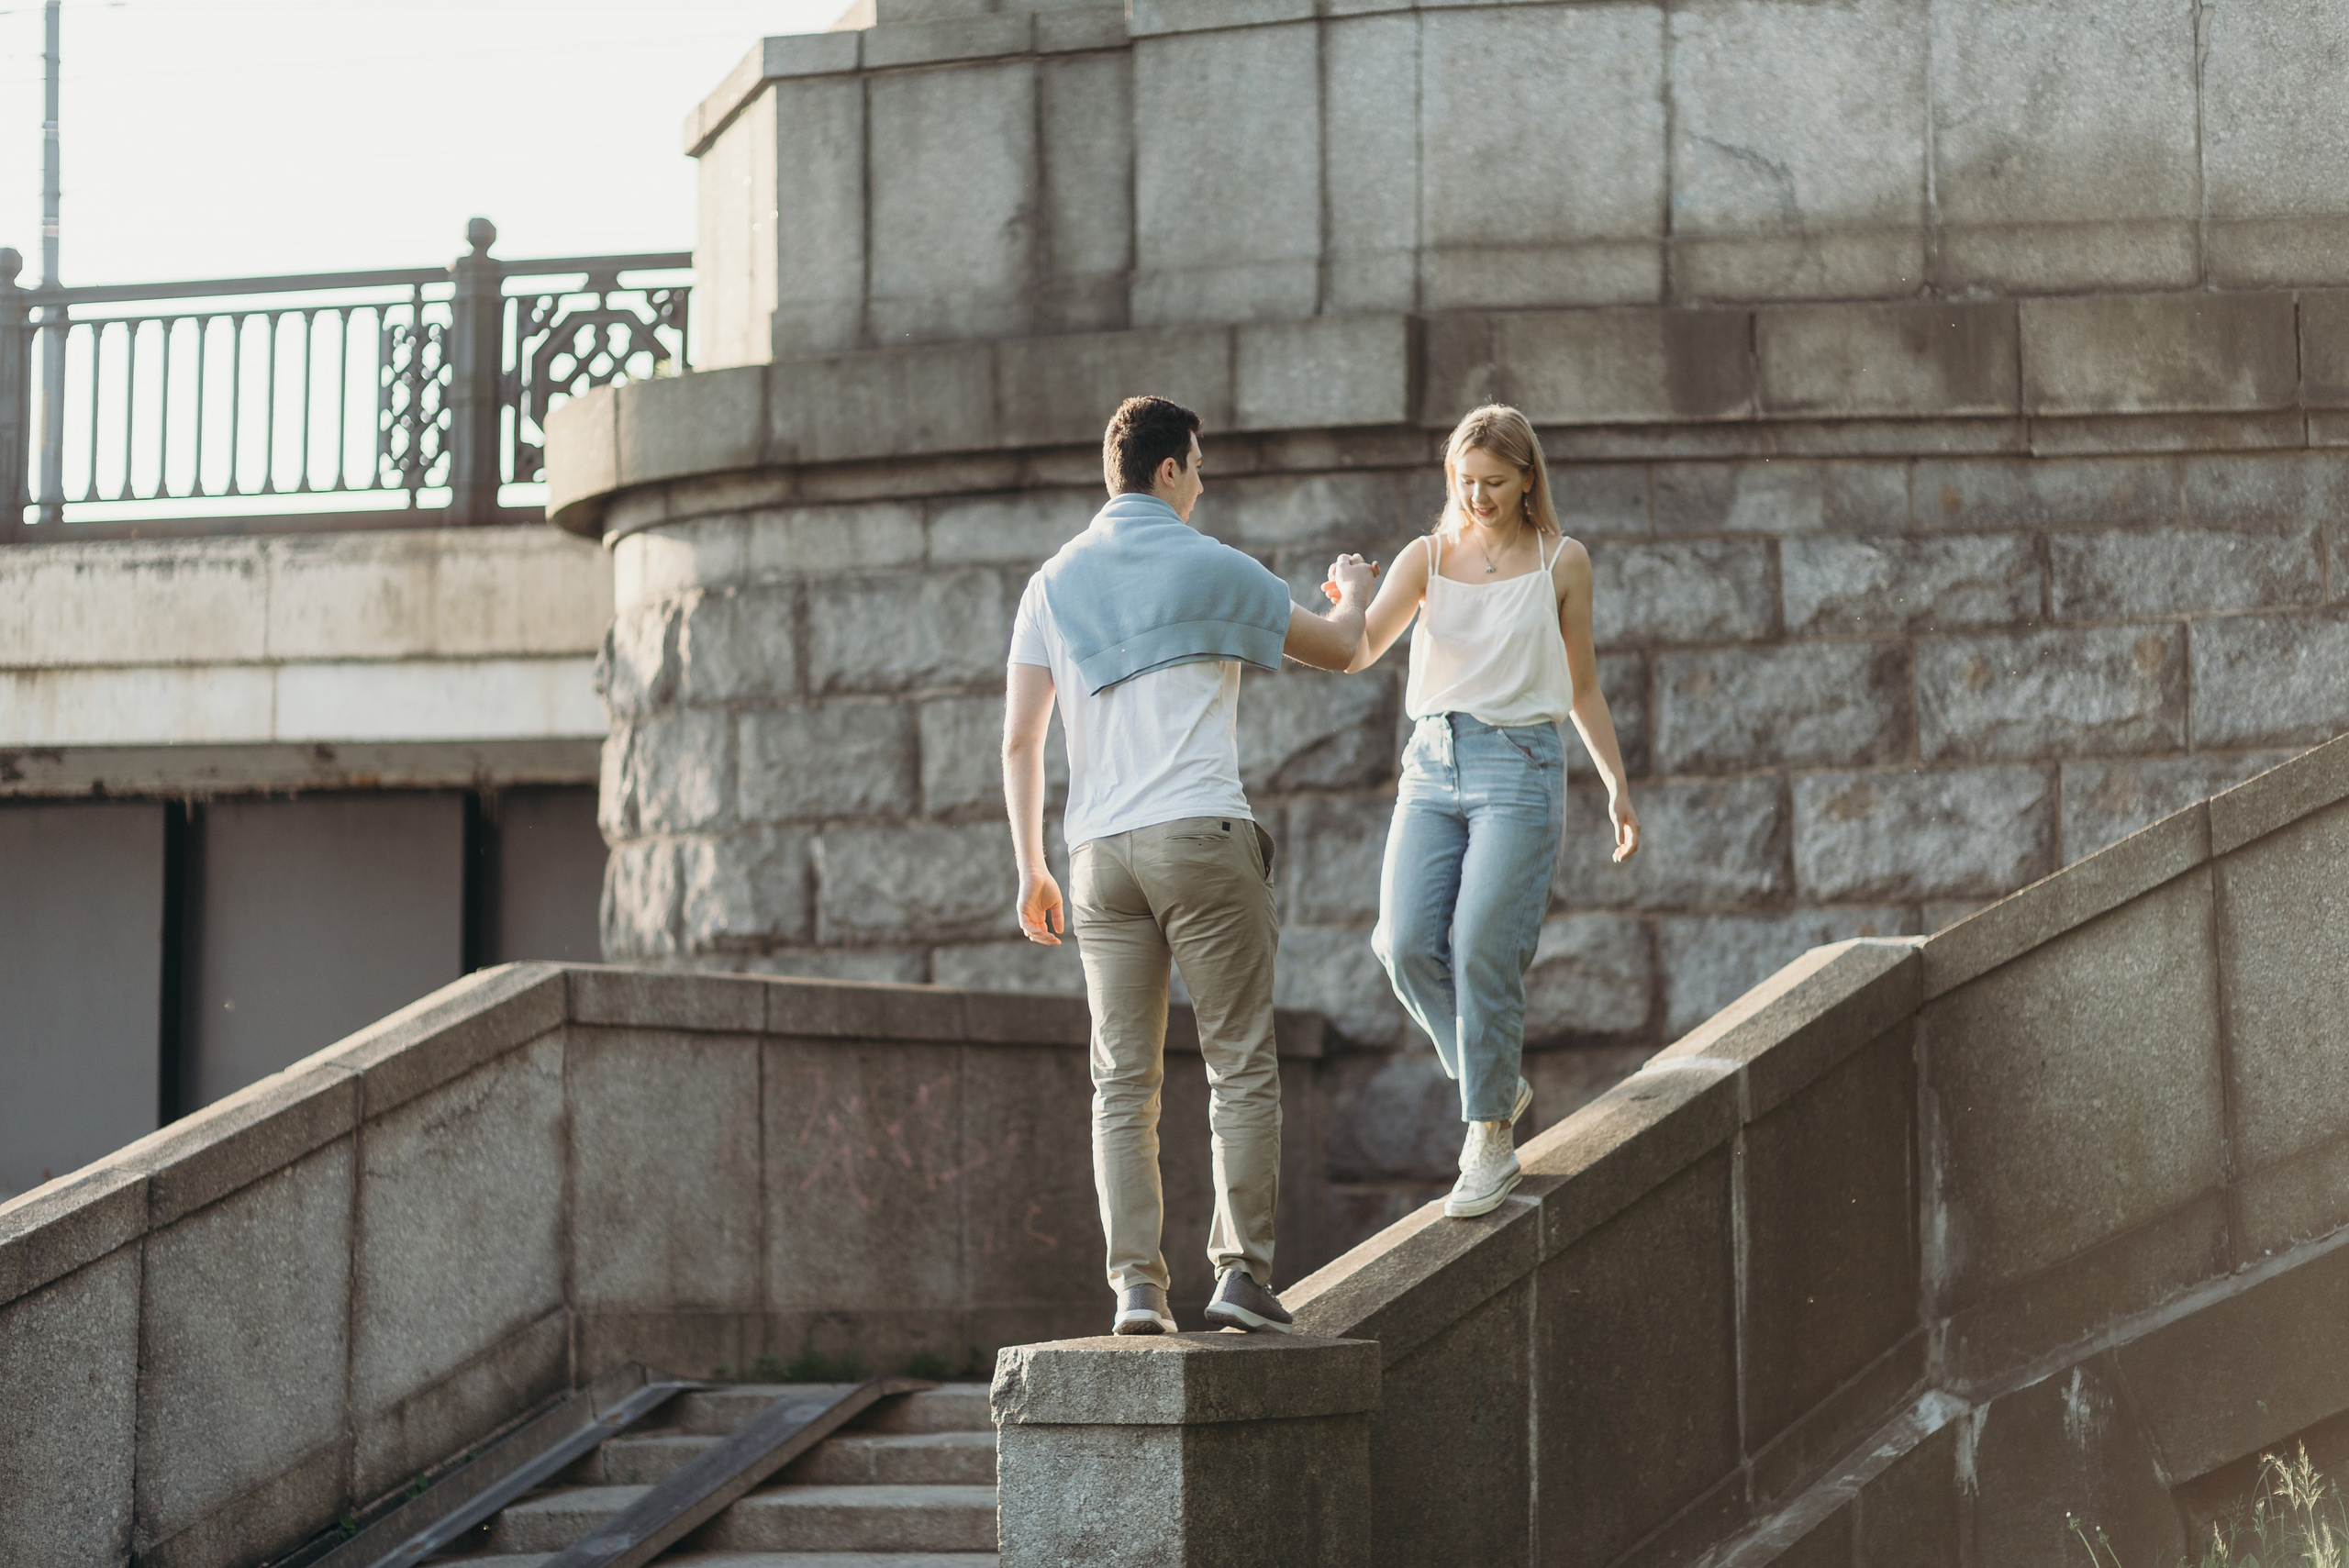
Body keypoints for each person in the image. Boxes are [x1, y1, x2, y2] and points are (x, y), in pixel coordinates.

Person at [1002, 395, 1377, 1336]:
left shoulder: (1052, 583)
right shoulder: (1216, 567)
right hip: (1201, 838)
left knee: (1121, 1080)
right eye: (1198, 468)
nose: (1202, 485)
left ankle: (1135, 1286)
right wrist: (1353, 588)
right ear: (1168, 470)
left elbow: (1019, 741)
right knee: (1239, 1064)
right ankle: (1239, 1274)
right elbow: (1343, 649)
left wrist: (1029, 867)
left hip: (1097, 858)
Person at [1337, 404, 1642, 1219]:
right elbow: (1359, 647)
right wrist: (1354, 597)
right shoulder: (1427, 558)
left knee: (1480, 945)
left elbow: (1580, 685)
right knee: (1400, 944)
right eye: (1465, 481)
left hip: (1521, 766)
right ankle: (1496, 1079)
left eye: (1494, 483)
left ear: (1528, 477)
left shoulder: (1562, 562)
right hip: (1431, 765)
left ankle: (1488, 1140)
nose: (1477, 496)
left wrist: (1615, 781)